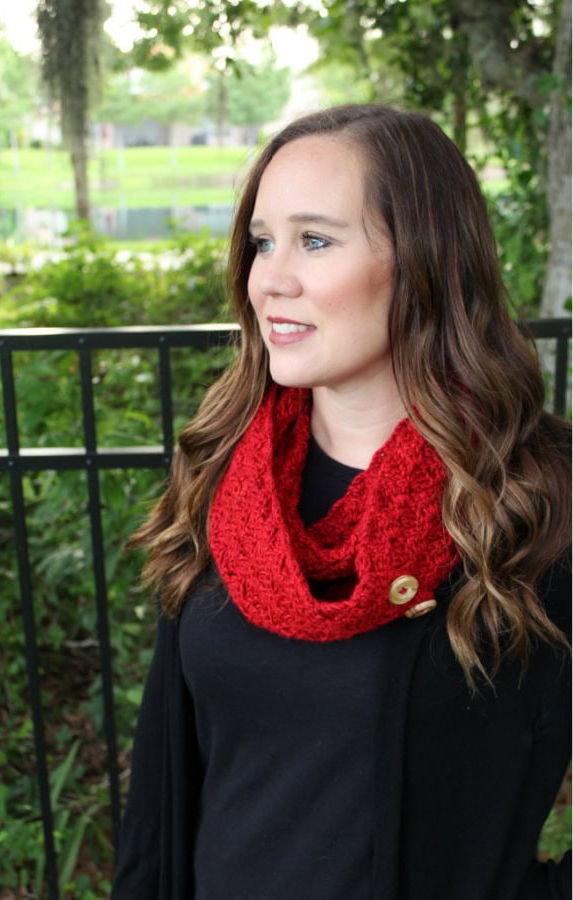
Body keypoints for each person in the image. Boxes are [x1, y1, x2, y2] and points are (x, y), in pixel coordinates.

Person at [111, 104, 571, 899]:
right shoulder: (229, 475)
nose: (270, 279)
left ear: (427, 260)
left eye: (315, 240)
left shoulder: (532, 499)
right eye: (262, 241)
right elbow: (164, 784)